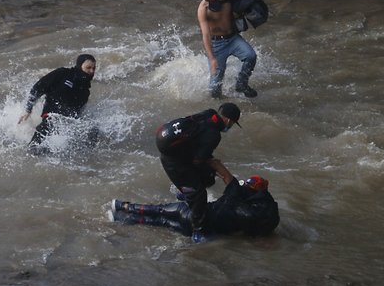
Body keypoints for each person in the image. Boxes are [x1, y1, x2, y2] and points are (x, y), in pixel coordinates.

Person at [155, 102, 241, 243]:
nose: (230, 127)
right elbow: (197, 161)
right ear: (229, 120)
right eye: (232, 124)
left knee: (208, 177)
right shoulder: (214, 135)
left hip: (171, 149)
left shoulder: (208, 113)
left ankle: (185, 193)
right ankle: (198, 231)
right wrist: (214, 166)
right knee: (200, 194)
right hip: (173, 161)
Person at [109, 174, 280, 240]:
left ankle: (122, 206)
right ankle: (123, 219)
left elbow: (228, 197)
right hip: (196, 230)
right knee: (162, 222)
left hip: (191, 213)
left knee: (160, 210)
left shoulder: (235, 200)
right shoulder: (259, 212)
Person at [18, 54, 96, 153]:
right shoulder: (63, 74)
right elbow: (37, 88)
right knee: (45, 130)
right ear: (79, 66)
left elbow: (77, 113)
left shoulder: (85, 91)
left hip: (66, 125)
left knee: (93, 131)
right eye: (88, 68)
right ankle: (29, 153)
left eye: (94, 68)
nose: (91, 71)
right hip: (51, 117)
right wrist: (28, 110)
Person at [197, 0, 258, 98]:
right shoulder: (203, 9)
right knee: (215, 88)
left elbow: (238, 6)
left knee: (251, 56)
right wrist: (212, 58)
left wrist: (246, 12)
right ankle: (219, 107)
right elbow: (205, 35)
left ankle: (241, 83)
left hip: (233, 38)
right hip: (216, 44)